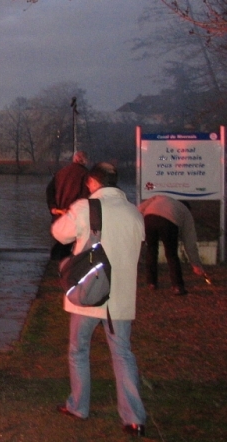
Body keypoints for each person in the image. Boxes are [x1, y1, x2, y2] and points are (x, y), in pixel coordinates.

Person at [51, 162, 147, 437]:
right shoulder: (133, 212)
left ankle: (79, 406)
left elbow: (59, 233)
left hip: (89, 295)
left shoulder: (85, 207)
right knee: (122, 353)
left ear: (93, 182)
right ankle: (134, 418)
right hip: (120, 298)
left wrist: (69, 213)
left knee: (78, 350)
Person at [138, 195, 206, 296]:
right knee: (171, 254)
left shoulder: (161, 198)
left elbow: (139, 209)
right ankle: (177, 286)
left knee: (151, 250)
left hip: (149, 218)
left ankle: (151, 283)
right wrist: (196, 264)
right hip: (169, 223)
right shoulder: (186, 212)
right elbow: (190, 241)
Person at [46, 150, 90, 260]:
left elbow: (49, 190)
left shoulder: (61, 173)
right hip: (74, 219)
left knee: (60, 244)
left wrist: (53, 208)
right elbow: (85, 198)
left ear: (74, 159)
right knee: (72, 249)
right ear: (84, 161)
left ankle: (57, 264)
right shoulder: (86, 175)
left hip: (59, 217)